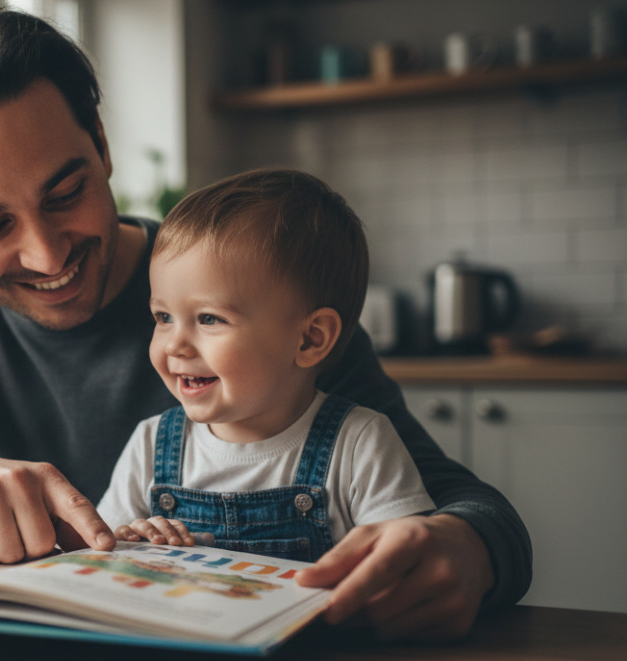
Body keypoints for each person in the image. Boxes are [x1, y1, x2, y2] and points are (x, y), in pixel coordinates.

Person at [0, 5, 531, 641]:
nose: (47, 252)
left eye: (65, 193)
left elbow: (467, 506)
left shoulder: (245, 295)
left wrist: (470, 550)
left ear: (100, 144)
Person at [97, 169, 437, 566]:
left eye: (209, 319)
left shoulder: (361, 444)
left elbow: (407, 563)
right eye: (163, 317)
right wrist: (132, 541)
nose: (174, 344)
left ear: (310, 339)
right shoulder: (150, 444)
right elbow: (102, 553)